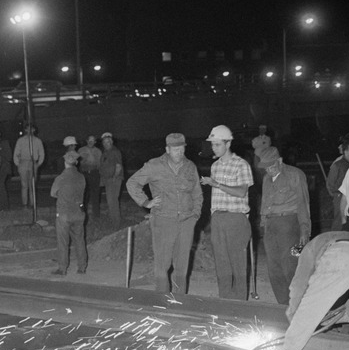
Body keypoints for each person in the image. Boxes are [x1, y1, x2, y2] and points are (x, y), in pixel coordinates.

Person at [126, 132, 202, 294]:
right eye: (175, 149)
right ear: (167, 149)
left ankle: (180, 301)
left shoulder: (190, 166)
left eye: (182, 149)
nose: (179, 152)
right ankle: (162, 301)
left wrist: (195, 215)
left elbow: (197, 193)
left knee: (182, 265)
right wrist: (146, 202)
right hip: (163, 221)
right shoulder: (154, 166)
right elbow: (132, 183)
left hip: (186, 221)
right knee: (162, 265)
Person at [200, 124, 254, 300]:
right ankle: (224, 303)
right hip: (218, 219)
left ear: (228, 144)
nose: (214, 148)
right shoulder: (215, 166)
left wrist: (216, 184)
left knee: (238, 264)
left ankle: (239, 305)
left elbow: (241, 192)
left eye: (217, 144)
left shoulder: (241, 165)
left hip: (236, 219)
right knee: (222, 264)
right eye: (212, 144)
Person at [256, 147, 311, 305]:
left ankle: (298, 305)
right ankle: (283, 305)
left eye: (272, 166)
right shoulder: (267, 178)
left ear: (280, 161)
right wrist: (263, 225)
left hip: (289, 223)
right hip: (271, 225)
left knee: (290, 267)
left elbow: (303, 203)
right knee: (274, 269)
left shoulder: (295, 175)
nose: (269, 170)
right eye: (266, 168)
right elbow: (265, 203)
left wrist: (304, 231)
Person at [50, 150, 87, 275]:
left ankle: (62, 268)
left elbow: (53, 193)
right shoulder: (82, 177)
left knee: (63, 242)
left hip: (64, 213)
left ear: (65, 162)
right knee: (80, 240)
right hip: (78, 212)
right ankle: (82, 267)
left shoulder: (60, 178)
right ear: (76, 162)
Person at [326, 141, 349, 230]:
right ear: (345, 152)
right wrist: (336, 195)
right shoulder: (337, 165)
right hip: (340, 196)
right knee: (339, 219)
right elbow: (330, 183)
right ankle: (335, 239)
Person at [13, 124, 45, 208]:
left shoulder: (38, 141)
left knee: (32, 185)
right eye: (28, 129)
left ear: (34, 130)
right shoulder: (20, 140)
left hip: (33, 163)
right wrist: (18, 164)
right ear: (25, 130)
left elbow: (42, 153)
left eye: (31, 129)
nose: (29, 131)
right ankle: (24, 204)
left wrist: (39, 164)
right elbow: (16, 153)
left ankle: (32, 204)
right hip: (23, 163)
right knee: (24, 185)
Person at [99, 131, 124, 227]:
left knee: (112, 201)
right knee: (111, 201)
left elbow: (118, 166)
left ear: (112, 142)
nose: (106, 144)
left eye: (108, 142)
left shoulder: (115, 151)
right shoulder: (105, 152)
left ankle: (116, 223)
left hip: (114, 179)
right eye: (104, 142)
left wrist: (114, 177)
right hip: (108, 180)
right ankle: (114, 220)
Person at [78, 134, 102, 220]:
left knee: (95, 195)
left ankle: (96, 215)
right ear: (87, 141)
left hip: (94, 173)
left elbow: (100, 165)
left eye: (93, 140)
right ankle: (83, 215)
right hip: (84, 174)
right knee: (84, 195)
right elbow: (77, 163)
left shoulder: (98, 151)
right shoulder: (81, 150)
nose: (91, 142)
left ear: (95, 142)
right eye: (89, 140)